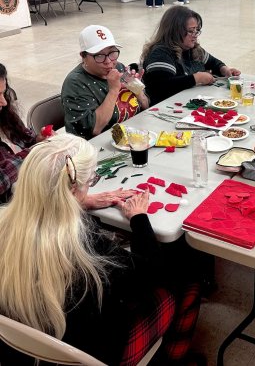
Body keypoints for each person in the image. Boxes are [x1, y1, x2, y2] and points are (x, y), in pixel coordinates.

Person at [0, 134, 201, 364]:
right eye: (90, 182)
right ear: (74, 188)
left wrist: (76, 202)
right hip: (91, 355)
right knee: (186, 281)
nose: (90, 187)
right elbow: (152, 273)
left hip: (23, 349)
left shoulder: (4, 223)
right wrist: (138, 219)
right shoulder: (86, 245)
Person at [62, 25, 150, 140]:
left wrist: (137, 88)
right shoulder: (75, 83)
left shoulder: (118, 67)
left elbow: (146, 105)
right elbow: (94, 129)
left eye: (112, 53)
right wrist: (114, 90)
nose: (108, 61)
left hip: (133, 136)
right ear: (83, 56)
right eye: (99, 55)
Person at [142, 6, 240, 104]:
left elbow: (213, 62)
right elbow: (161, 86)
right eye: (190, 31)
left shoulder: (191, 48)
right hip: (164, 108)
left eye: (197, 30)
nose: (195, 35)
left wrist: (224, 69)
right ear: (174, 31)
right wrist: (197, 78)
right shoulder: (160, 53)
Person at [0, 63, 52, 203]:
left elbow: (26, 139)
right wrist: (34, 151)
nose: (4, 102)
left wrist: (38, 140)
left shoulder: (5, 115)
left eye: (3, 93)